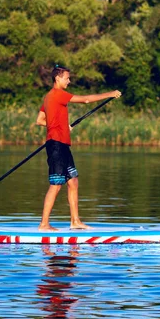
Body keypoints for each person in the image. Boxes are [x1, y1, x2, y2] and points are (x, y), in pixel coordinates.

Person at [36, 65, 121, 231]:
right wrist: (110, 94)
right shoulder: (57, 94)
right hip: (56, 146)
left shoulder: (47, 97)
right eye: (67, 78)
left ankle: (75, 222)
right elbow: (86, 100)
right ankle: (43, 224)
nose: (69, 81)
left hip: (63, 145)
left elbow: (40, 120)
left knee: (73, 181)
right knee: (56, 184)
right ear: (57, 78)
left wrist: (60, 125)